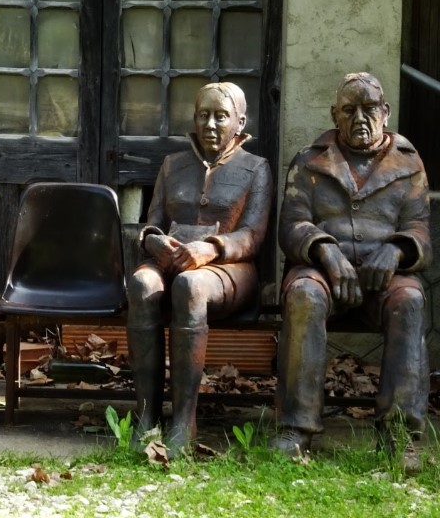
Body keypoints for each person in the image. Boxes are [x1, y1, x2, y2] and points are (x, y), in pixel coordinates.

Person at [271, 73, 430, 469]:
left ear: (385, 112)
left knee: (410, 300)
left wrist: (396, 249)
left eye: (369, 108)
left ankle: (400, 434)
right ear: (334, 115)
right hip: (322, 274)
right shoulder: (309, 161)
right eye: (349, 110)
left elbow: (420, 230)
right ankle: (295, 428)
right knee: (304, 295)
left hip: (385, 279)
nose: (360, 117)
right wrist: (325, 249)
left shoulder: (409, 163)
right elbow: (291, 224)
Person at [127, 82, 273, 455]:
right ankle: (147, 415)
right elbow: (152, 223)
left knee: (190, 286)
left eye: (221, 116)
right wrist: (152, 241)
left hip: (230, 269)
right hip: (170, 262)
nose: (210, 124)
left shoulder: (256, 168)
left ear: (240, 122)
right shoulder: (172, 165)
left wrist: (211, 248)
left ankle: (184, 421)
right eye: (203, 115)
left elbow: (253, 235)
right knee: (142, 283)